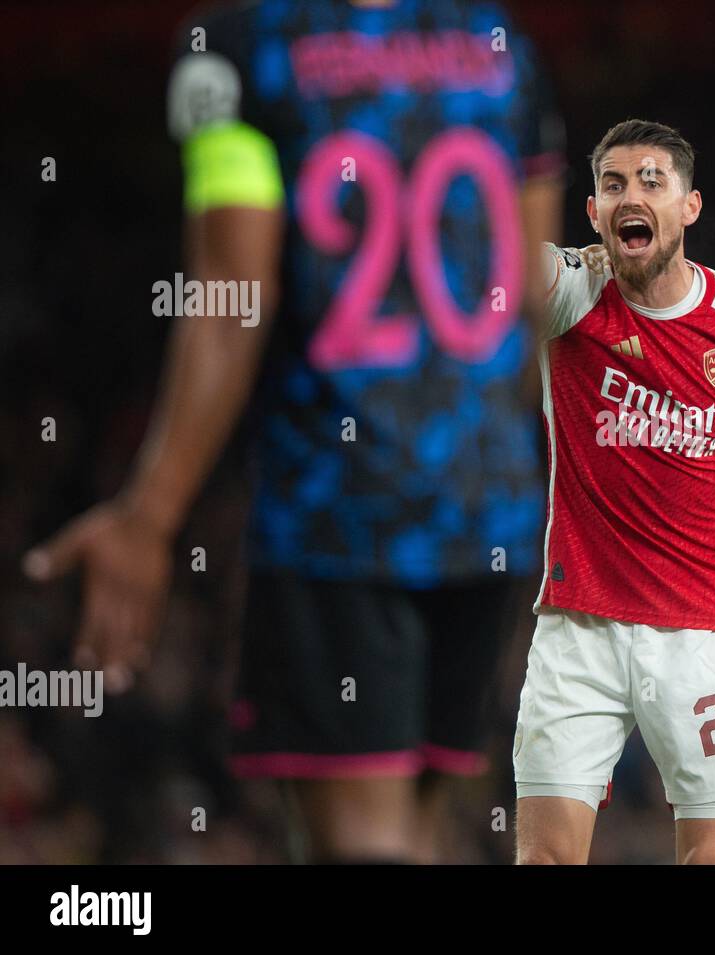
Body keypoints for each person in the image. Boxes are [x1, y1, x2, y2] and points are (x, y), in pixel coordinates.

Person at [23, 0, 564, 864]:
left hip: (341, 506)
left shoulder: (242, 51)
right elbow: (543, 294)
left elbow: (231, 296)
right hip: (492, 510)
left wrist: (152, 511)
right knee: (419, 830)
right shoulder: (502, 49)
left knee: (361, 845)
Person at [512, 119, 715, 865]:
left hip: (704, 635)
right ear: (593, 213)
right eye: (614, 184)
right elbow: (498, 253)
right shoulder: (572, 292)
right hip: (577, 627)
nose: (634, 196)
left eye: (652, 181)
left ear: (689, 205)